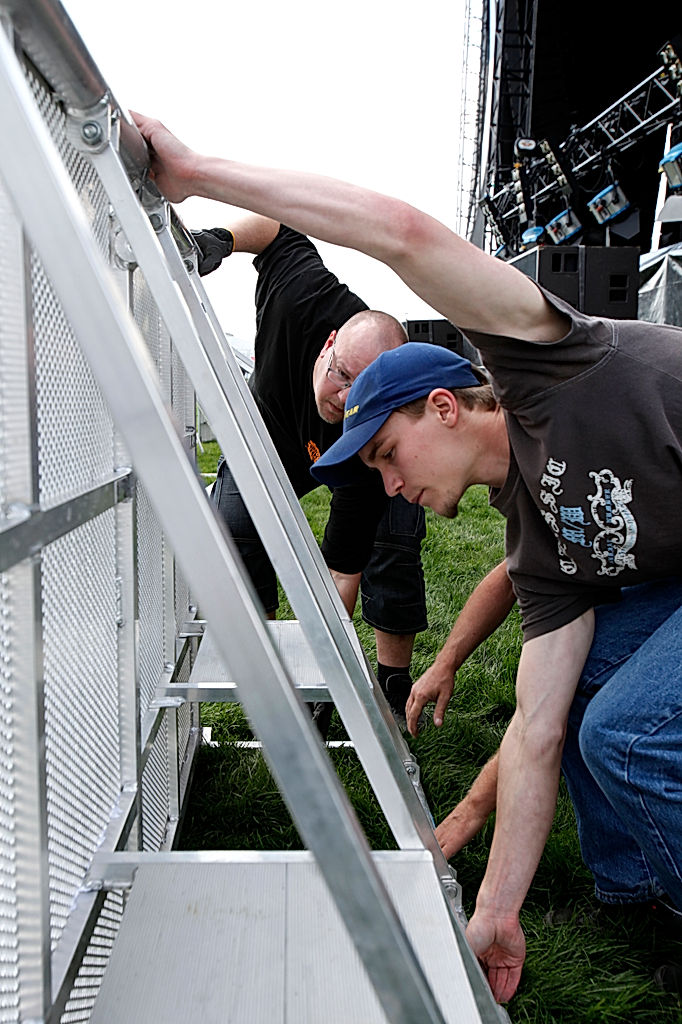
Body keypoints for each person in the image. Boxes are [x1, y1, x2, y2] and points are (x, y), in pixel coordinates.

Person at [132, 112, 682, 1003]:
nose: (386, 487)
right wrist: (498, 910)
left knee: (626, 732)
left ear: (444, 407)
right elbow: (533, 734)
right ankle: (646, 897)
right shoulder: (537, 544)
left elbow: (402, 232)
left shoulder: (543, 361)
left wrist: (198, 172)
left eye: (387, 453)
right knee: (581, 706)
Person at [191, 213, 429, 731]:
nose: (343, 399)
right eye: (340, 376)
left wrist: (322, 668)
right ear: (327, 347)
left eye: (360, 392)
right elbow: (277, 229)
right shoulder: (301, 296)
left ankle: (389, 686)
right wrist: (220, 241)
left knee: (392, 538)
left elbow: (343, 569)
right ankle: (274, 674)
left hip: (348, 456)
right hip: (273, 429)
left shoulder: (374, 427)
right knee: (234, 530)